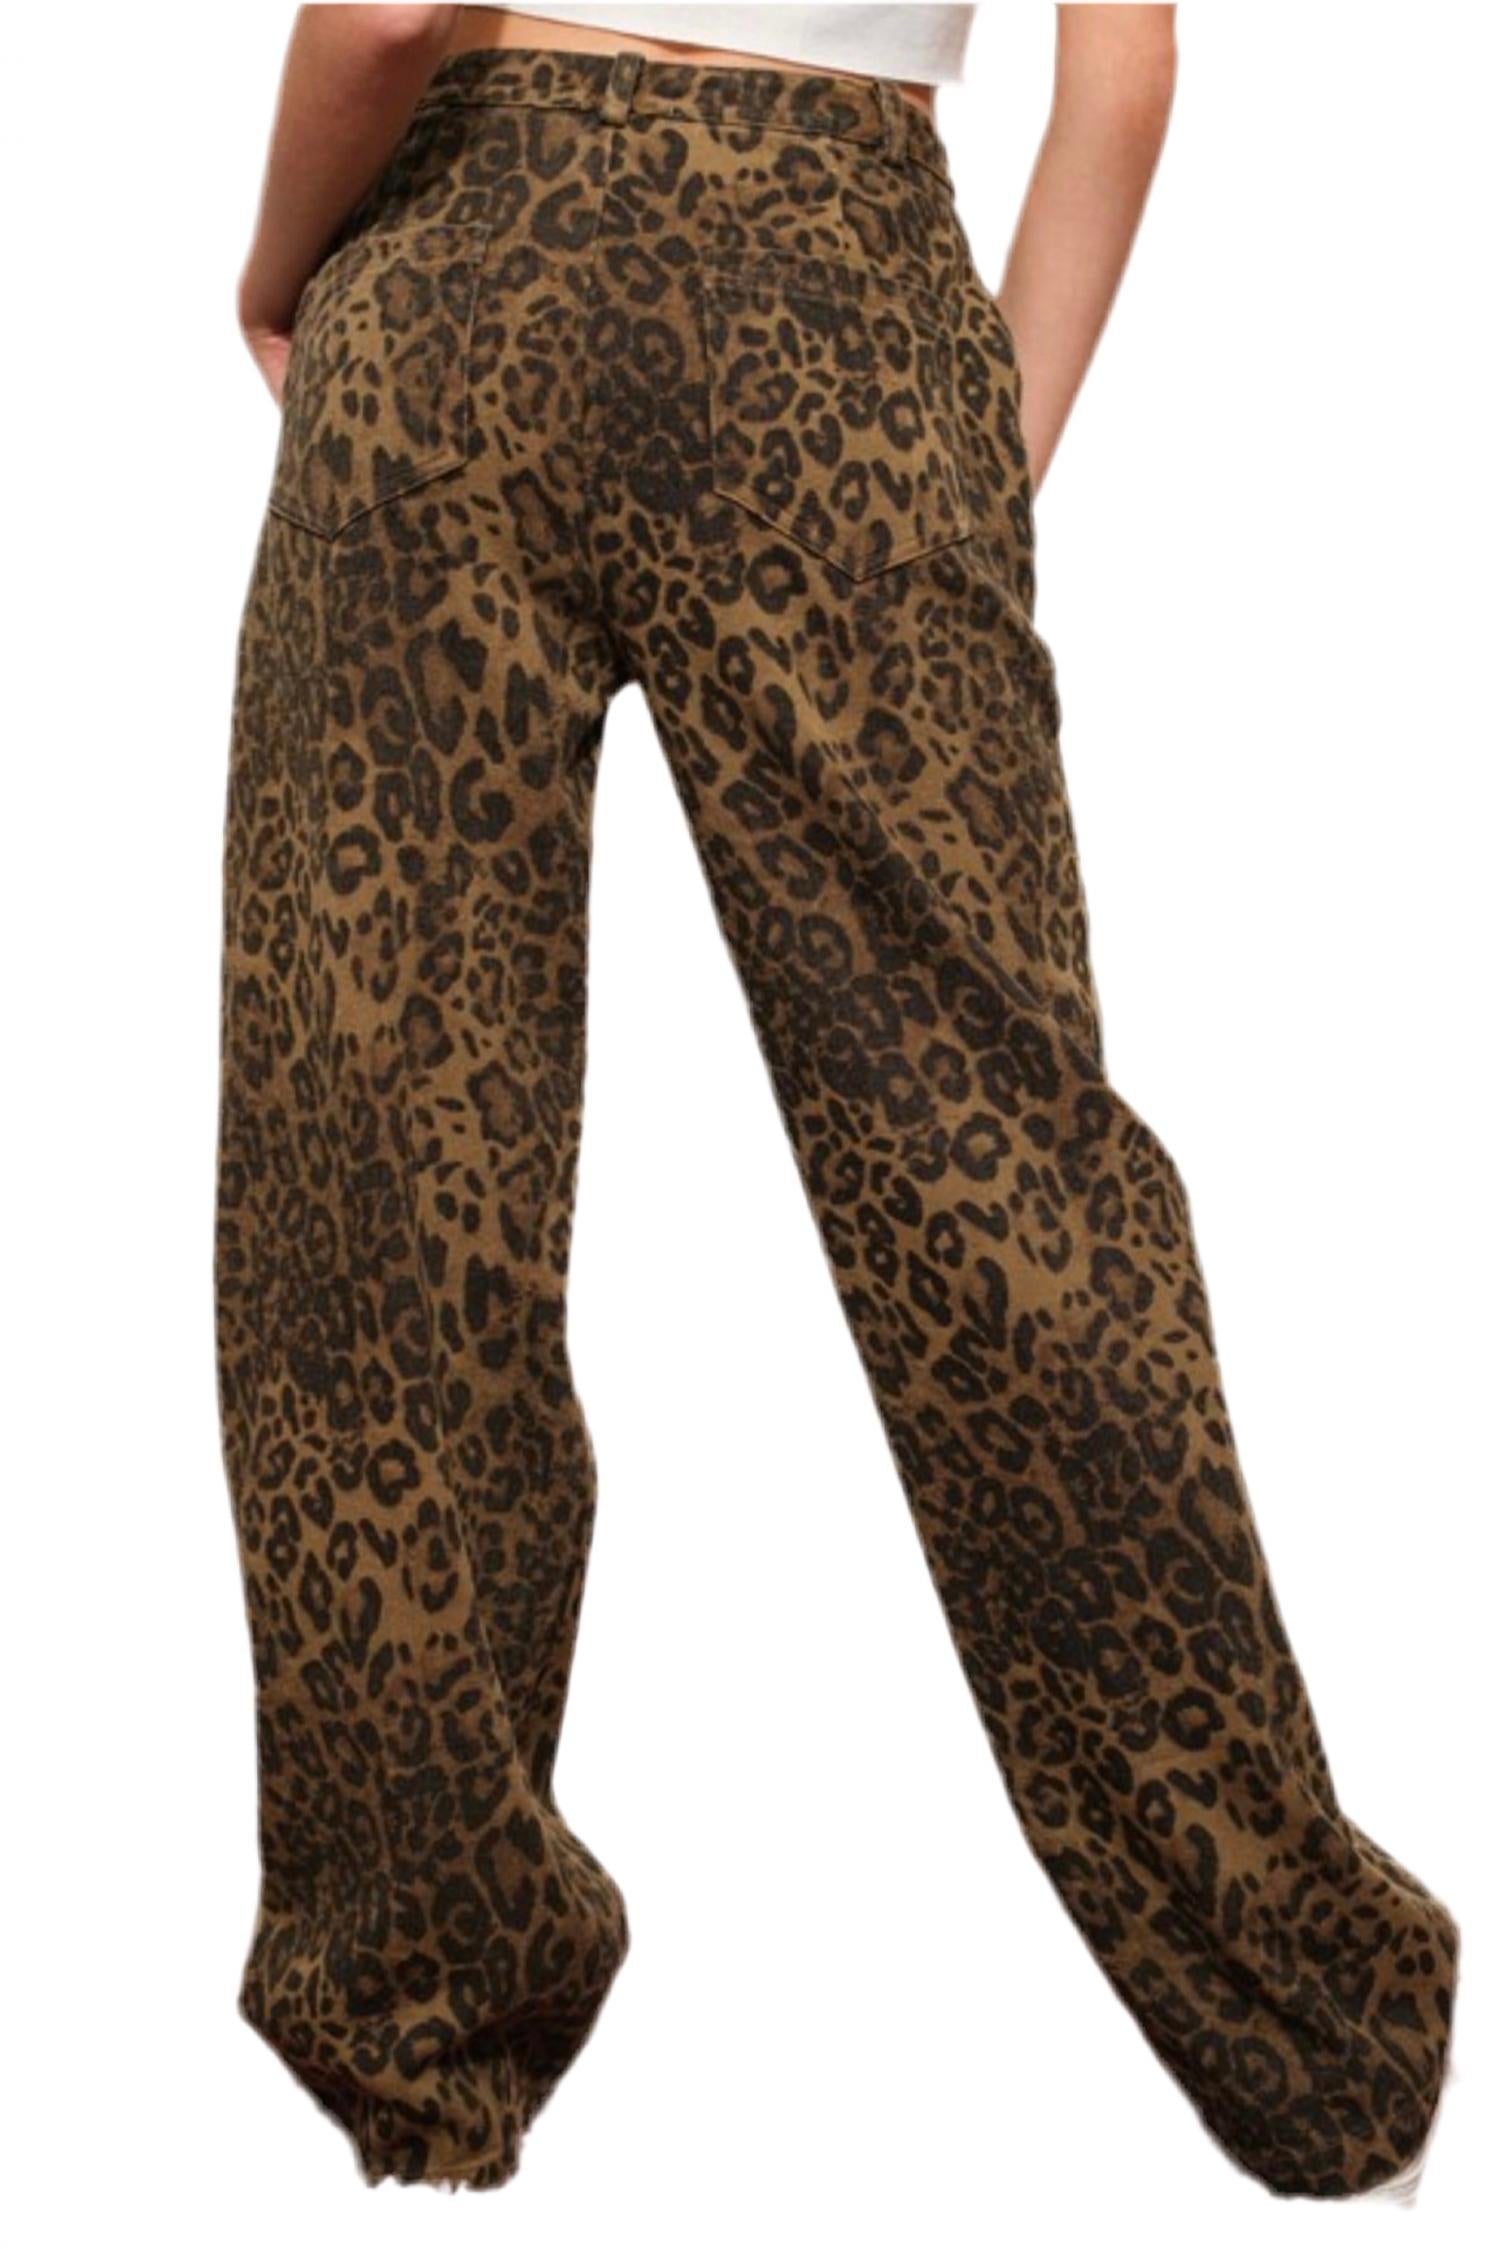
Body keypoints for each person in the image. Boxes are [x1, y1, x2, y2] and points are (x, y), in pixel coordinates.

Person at [218, 2, 1458, 2200]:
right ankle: (1314, 2021)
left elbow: (393, 12)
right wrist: (968, 450)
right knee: (999, 1178)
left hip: (456, 278)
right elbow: (1126, 83)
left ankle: (416, 2036)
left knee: (381, 1181)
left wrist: (273, 269)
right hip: (844, 298)